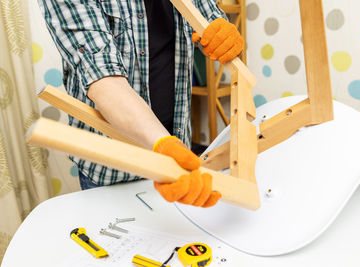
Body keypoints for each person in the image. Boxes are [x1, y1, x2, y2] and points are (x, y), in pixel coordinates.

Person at [38, 0, 243, 207]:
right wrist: (163, 145)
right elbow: (104, 80)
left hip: (176, 144)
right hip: (113, 169)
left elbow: (205, 16)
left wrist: (218, 30)